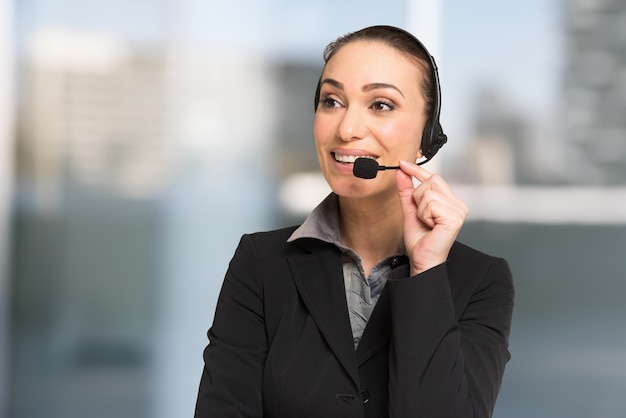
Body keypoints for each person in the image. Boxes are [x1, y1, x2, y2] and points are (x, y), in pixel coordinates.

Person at [194, 25, 514, 418]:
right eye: (332, 101)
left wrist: (427, 271)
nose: (346, 129)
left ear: (426, 135)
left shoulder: (480, 280)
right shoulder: (259, 263)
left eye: (380, 105)